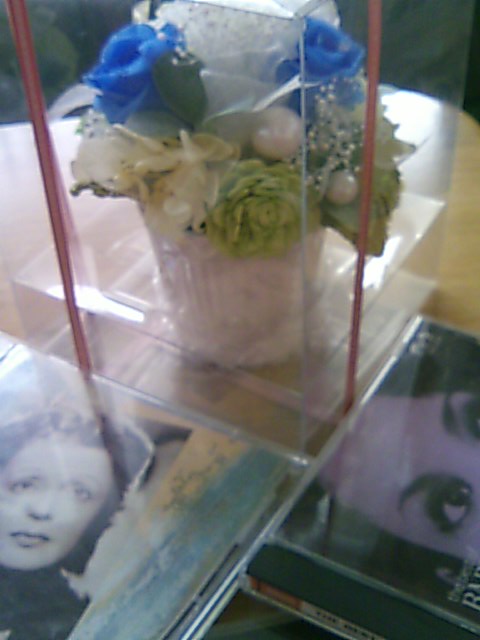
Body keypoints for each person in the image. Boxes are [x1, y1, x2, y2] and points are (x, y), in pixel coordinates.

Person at [0, 408, 169, 640]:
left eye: (80, 493)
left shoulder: (74, 626)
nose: (43, 510)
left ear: (100, 517)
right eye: (26, 485)